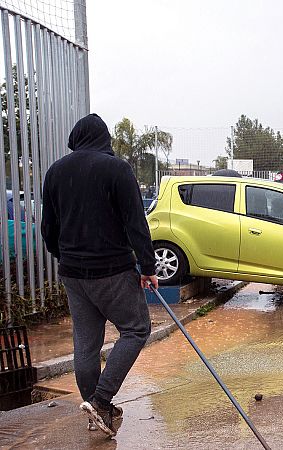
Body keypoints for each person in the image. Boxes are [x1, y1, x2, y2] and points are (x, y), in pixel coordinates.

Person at [41, 114, 158, 438]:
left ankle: (96, 407)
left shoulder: (55, 172)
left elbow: (48, 229)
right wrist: (148, 267)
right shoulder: (117, 169)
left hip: (74, 275)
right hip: (112, 271)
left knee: (86, 344)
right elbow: (136, 222)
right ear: (104, 139)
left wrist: (64, 257)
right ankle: (101, 400)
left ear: (76, 139)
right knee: (136, 329)